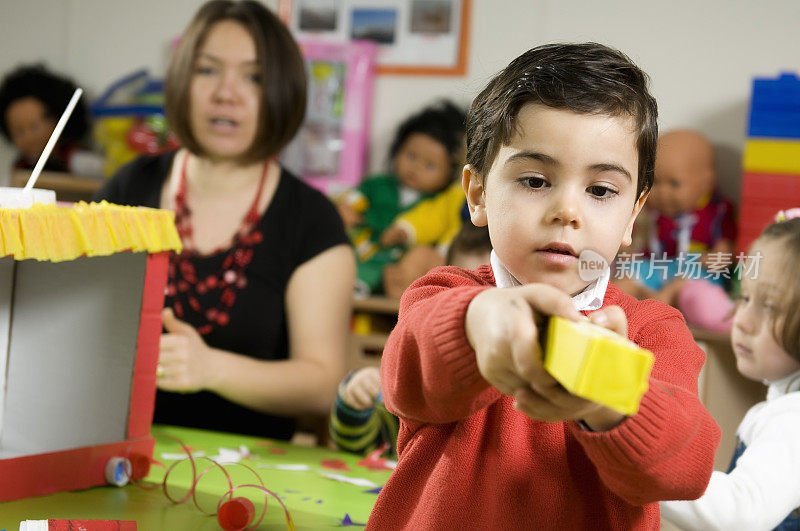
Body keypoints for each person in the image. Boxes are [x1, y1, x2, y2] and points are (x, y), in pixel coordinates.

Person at [366, 43, 720, 530]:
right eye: (535, 180)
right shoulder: (442, 294)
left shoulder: (652, 329)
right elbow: (405, 377)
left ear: (631, 216)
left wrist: (605, 395)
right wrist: (479, 322)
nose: (567, 211)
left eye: (600, 190)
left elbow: (688, 465)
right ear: (477, 193)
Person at [94, 0, 354, 441]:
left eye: (252, 77)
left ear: (282, 90)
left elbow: (324, 384)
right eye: (208, 70)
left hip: (250, 480)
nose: (226, 93)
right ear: (180, 80)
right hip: (114, 448)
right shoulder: (128, 189)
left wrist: (210, 368)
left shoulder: (311, 220)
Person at [661, 210, 800, 530]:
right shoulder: (781, 405)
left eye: (770, 306)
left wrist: (646, 472)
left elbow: (742, 512)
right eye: (745, 297)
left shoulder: (792, 419)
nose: (742, 320)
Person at [329, 224, 491, 457]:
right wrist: (354, 403)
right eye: (462, 300)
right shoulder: (418, 382)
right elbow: (364, 446)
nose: (481, 316)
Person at [336, 100, 466, 295]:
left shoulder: (439, 202)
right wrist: (346, 208)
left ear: (451, 172)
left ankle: (359, 284)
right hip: (362, 247)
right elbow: (354, 198)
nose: (415, 168)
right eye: (411, 156)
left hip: (398, 262)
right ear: (397, 149)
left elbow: (432, 227)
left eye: (430, 165)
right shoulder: (378, 184)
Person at [615, 129, 737, 332]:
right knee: (627, 277)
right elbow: (635, 240)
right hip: (659, 266)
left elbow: (727, 246)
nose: (663, 192)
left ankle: (657, 308)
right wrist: (628, 252)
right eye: (657, 182)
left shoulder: (717, 210)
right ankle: (617, 306)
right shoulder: (650, 212)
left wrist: (721, 254)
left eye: (674, 183)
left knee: (684, 283)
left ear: (706, 182)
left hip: (696, 267)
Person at [0, 64, 100, 175]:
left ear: (56, 119)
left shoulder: (73, 158)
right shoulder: (20, 166)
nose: (29, 137)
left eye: (34, 127)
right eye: (20, 131)